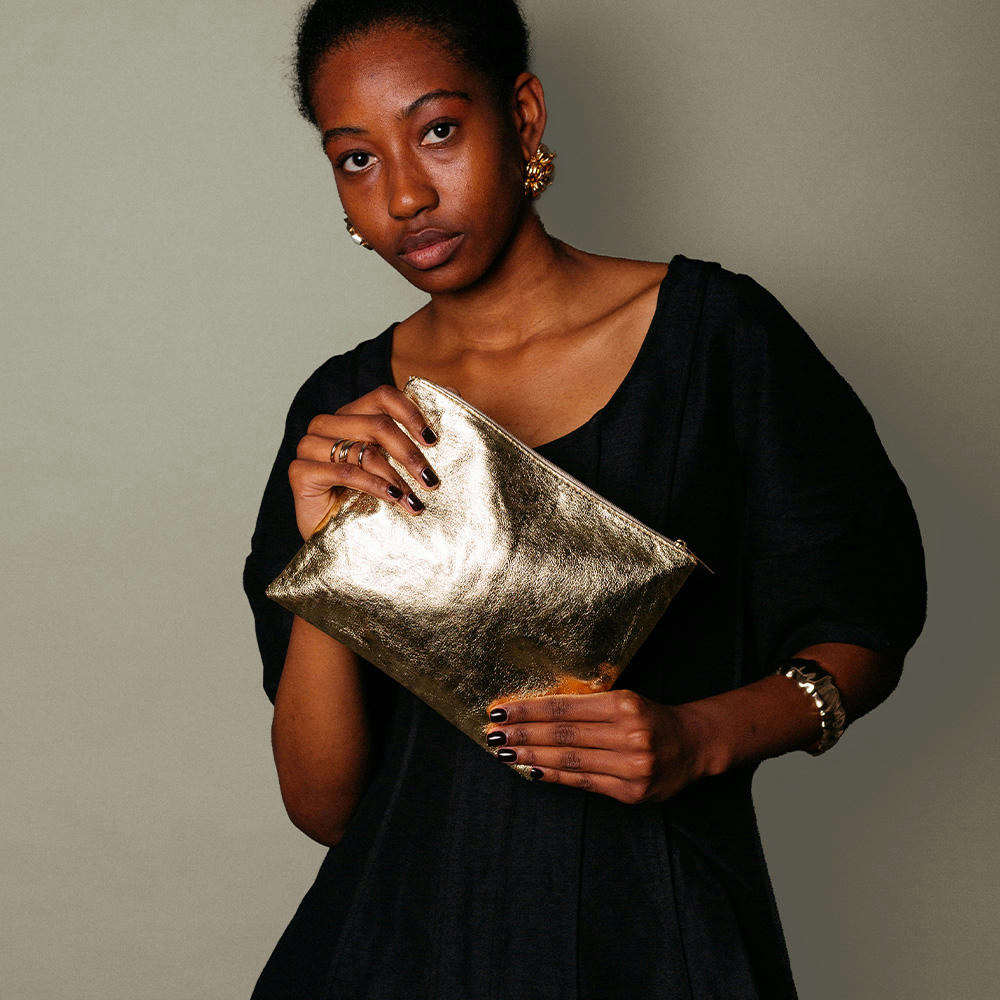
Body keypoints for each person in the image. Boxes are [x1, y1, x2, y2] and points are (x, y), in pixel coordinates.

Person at [242, 1, 927, 996]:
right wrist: (324, 560)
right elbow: (326, 808)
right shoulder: (345, 414)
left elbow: (861, 624)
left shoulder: (716, 339)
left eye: (438, 131)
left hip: (657, 935)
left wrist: (700, 739)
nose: (404, 195)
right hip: (389, 949)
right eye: (356, 158)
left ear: (522, 116)